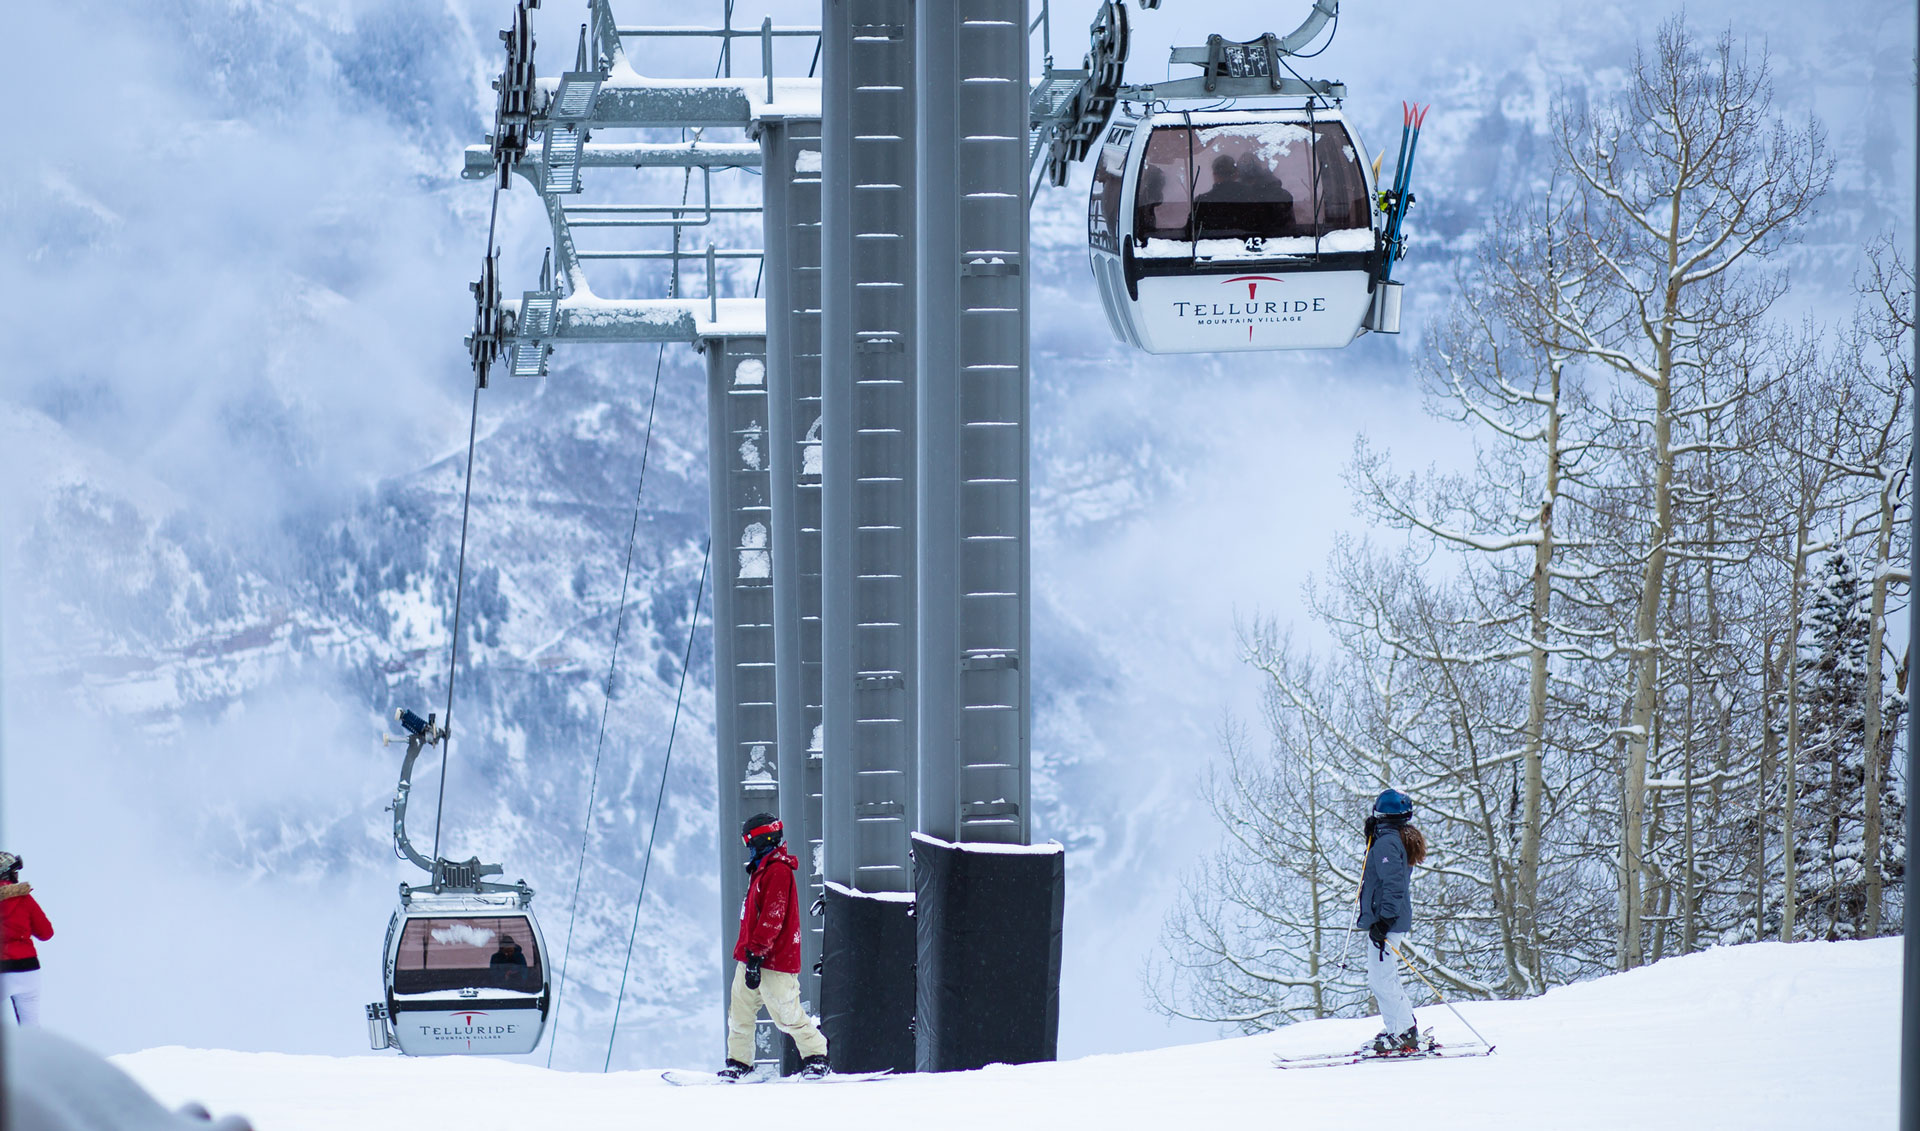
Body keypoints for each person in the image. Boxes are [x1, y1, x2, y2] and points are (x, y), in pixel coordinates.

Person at [720, 813, 828, 1080]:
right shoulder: (762, 869)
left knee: (786, 1014)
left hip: (773, 959)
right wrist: (750, 955)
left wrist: (757, 953)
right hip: (750, 955)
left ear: (763, 839)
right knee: (741, 1011)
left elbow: (773, 916)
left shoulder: (778, 870)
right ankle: (739, 1062)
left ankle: (817, 1056)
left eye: (750, 842)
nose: (748, 848)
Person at [1356, 790, 1428, 1054]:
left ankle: (1404, 1034)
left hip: (1388, 920)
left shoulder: (1387, 842)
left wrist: (1384, 919)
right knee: (1384, 978)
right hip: (1388, 919)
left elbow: (1393, 884)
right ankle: (1399, 1028)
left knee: (1382, 979)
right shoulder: (1390, 838)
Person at [0, 852, 54, 1026]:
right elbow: (46, 933)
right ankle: (34, 1053)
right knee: (30, 1028)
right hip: (29, 970)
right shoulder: (25, 898)